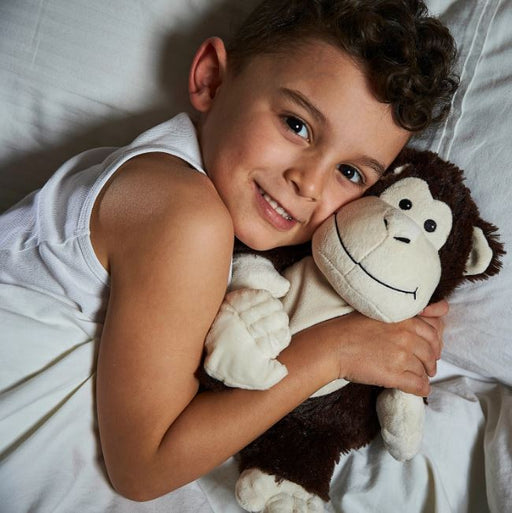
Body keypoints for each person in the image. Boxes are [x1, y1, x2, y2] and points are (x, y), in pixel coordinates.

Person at [0, 0, 458, 507]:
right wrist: (338, 349)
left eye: (350, 174)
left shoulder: (198, 198)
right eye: (296, 124)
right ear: (212, 79)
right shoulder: (184, 215)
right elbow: (142, 467)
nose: (307, 183)